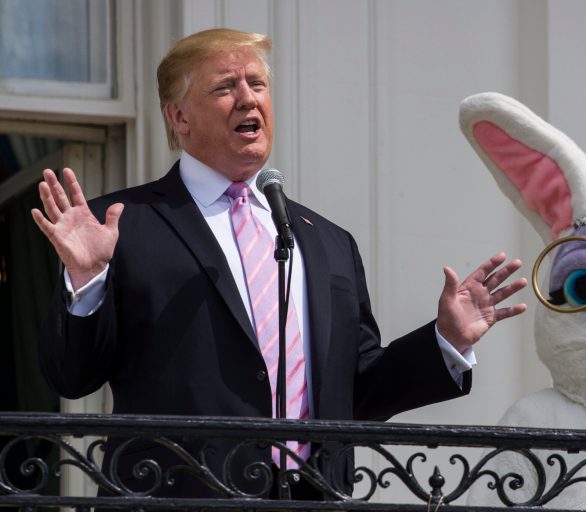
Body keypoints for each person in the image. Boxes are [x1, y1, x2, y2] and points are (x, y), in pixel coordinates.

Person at [32, 28, 527, 500]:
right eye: (225, 87)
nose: (249, 99)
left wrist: (446, 340)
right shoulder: (123, 226)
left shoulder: (328, 242)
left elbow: (357, 392)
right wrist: (88, 280)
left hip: (311, 497)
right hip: (177, 496)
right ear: (179, 117)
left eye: (258, 84)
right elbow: (71, 378)